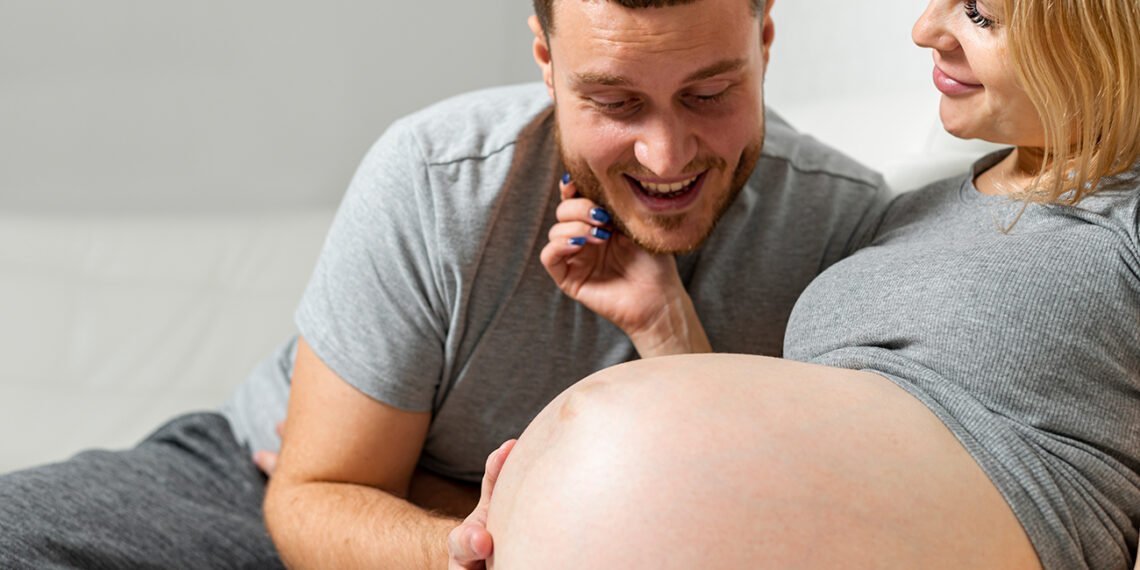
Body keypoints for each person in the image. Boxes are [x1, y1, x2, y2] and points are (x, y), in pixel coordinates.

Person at [0, 0, 890, 567]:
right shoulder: (439, 178)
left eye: (708, 95)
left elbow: (745, 532)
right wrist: (473, 540)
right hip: (273, 487)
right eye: (615, 103)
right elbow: (314, 497)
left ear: (765, 41)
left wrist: (669, 336)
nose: (665, 156)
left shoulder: (843, 228)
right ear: (544, 59)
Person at [462, 0, 1140, 568]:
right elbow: (774, 474)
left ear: (1102, 33)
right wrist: (660, 321)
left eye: (979, 15)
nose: (927, 29)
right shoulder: (912, 210)